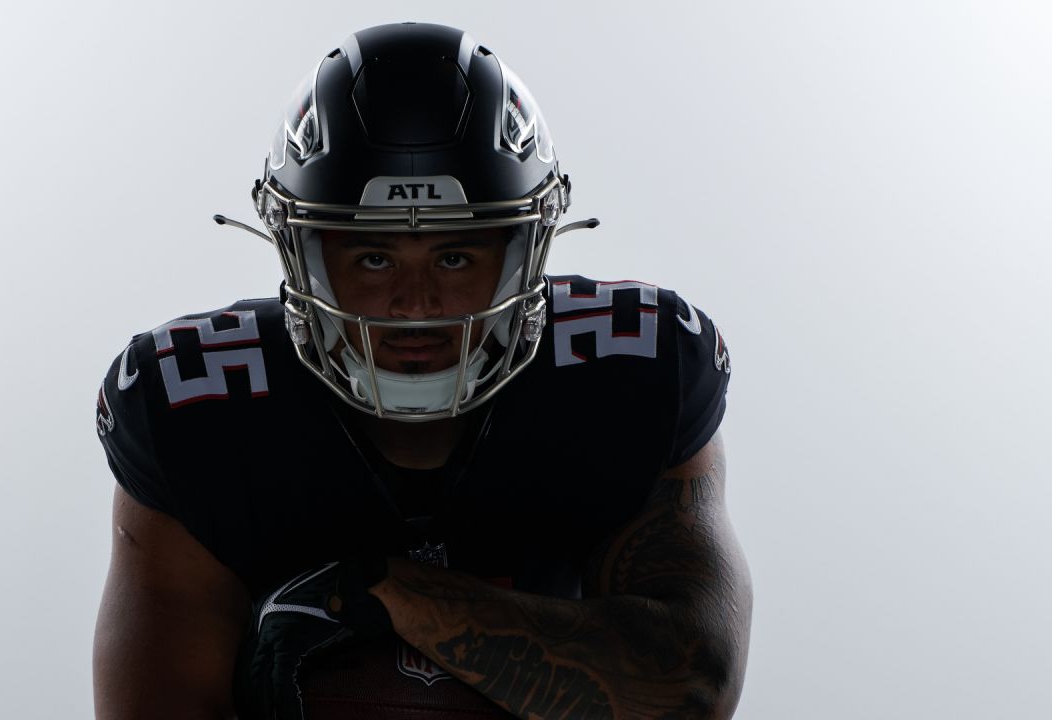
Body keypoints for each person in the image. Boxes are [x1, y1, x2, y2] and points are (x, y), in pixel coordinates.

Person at [92, 22, 751, 720]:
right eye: (373, 259)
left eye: (457, 256)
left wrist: (378, 594)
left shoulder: (628, 370)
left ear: (525, 253)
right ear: (303, 255)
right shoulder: (197, 407)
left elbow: (690, 683)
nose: (416, 304)